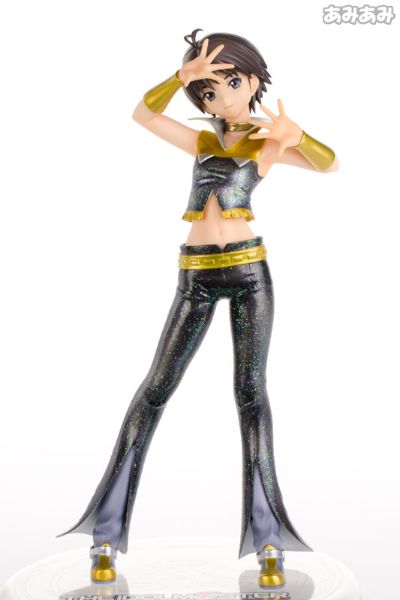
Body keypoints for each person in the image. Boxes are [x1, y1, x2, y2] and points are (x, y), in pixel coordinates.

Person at [57, 28, 338, 589]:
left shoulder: (267, 143)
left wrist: (297, 134)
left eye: (230, 82)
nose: (221, 97)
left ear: (253, 80)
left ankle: (269, 541)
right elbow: (143, 114)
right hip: (195, 278)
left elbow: (328, 165)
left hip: (251, 274)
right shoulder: (203, 140)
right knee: (155, 389)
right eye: (208, 91)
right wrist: (178, 78)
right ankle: (104, 533)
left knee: (251, 394)